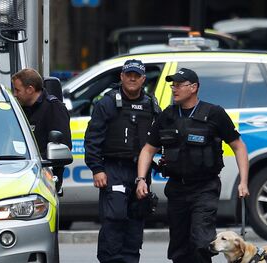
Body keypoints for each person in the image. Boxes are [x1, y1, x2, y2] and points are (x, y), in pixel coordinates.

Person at [135, 68, 250, 263]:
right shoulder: (167, 116)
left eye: (179, 85)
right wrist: (141, 179)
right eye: (173, 85)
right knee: (180, 247)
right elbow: (148, 149)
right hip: (177, 188)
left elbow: (239, 147)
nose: (174, 89)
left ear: (194, 87)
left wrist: (244, 182)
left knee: (202, 242)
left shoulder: (214, 113)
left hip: (205, 188)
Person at [84, 59, 161, 263]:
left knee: (136, 220)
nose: (132, 79)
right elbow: (92, 138)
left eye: (137, 75)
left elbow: (161, 137)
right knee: (115, 218)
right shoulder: (108, 102)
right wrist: (97, 169)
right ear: (122, 77)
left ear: (143, 79)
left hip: (140, 172)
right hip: (114, 169)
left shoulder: (151, 104)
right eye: (129, 75)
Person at [12, 68, 72, 192]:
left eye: (17, 90)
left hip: (45, 175)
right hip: (20, 174)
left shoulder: (54, 108)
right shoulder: (20, 109)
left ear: (30, 89)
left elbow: (63, 146)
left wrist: (39, 160)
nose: (15, 94)